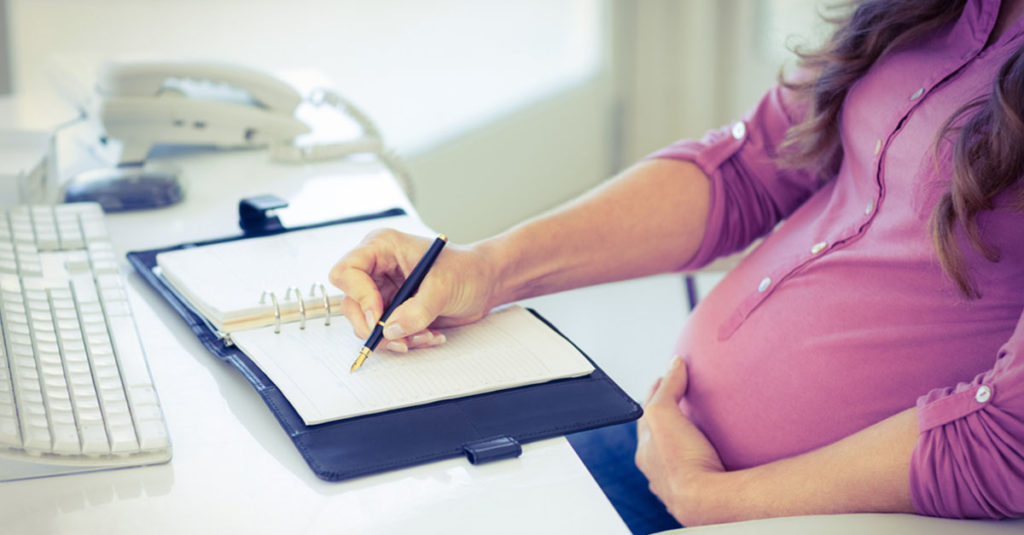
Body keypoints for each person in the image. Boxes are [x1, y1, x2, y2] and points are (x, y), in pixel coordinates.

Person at [329, 0, 1024, 531]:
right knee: (407, 505)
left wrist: (717, 499)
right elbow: (752, 167)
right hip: (671, 443)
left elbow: (1010, 442)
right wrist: (488, 267)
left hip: (800, 512)